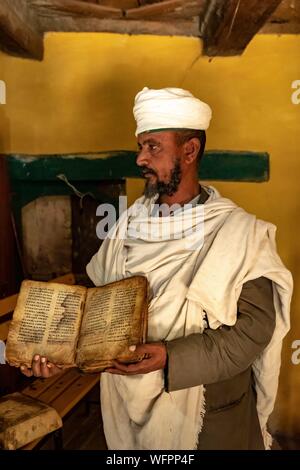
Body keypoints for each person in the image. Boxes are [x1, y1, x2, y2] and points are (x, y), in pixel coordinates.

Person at [21, 87, 293, 450]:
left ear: (190, 150)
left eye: (153, 147)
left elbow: (252, 333)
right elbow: (96, 318)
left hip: (209, 420)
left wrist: (170, 357)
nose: (140, 159)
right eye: (140, 147)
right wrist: (60, 356)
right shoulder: (126, 225)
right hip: (126, 408)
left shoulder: (240, 233)